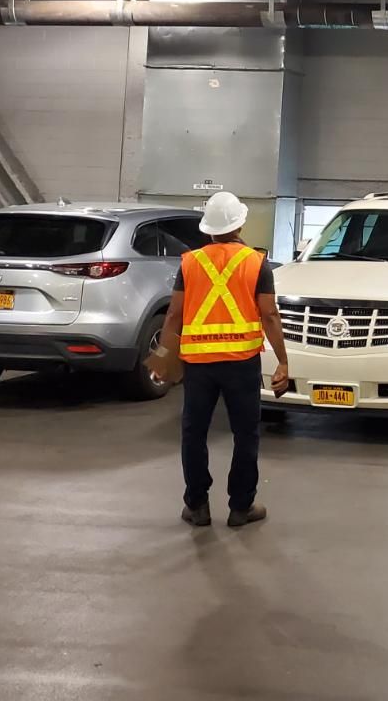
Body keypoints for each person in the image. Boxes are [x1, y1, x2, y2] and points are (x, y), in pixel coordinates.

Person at [151, 191, 291, 527]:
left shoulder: (190, 262)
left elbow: (173, 315)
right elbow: (269, 314)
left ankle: (197, 506)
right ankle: (241, 507)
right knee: (245, 434)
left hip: (198, 364)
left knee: (194, 433)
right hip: (241, 363)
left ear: (208, 229)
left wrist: (162, 358)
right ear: (240, 223)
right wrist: (283, 362)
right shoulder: (257, 263)